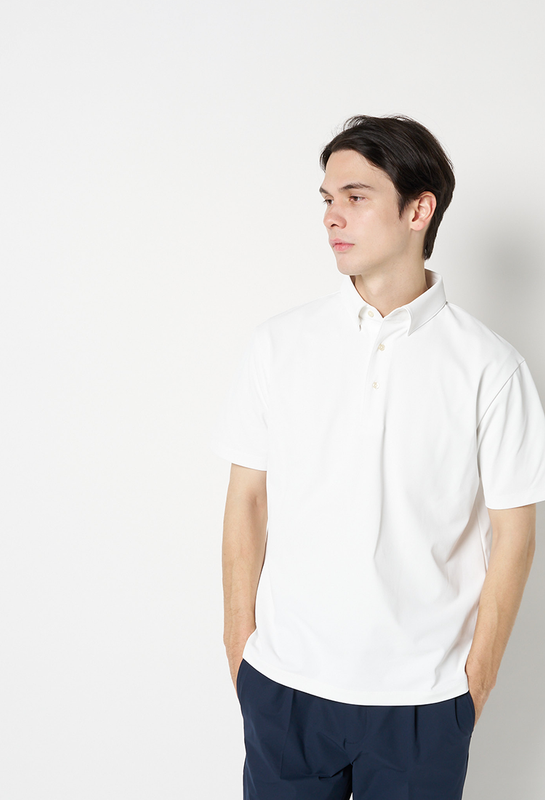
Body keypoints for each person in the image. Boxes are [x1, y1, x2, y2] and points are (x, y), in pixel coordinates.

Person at [209, 114, 545, 800]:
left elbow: (514, 533)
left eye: (356, 197)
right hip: (285, 687)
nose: (331, 216)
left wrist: (475, 681)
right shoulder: (279, 345)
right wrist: (239, 645)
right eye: (327, 199)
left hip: (424, 702)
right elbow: (247, 499)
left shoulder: (490, 368)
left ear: (419, 210)